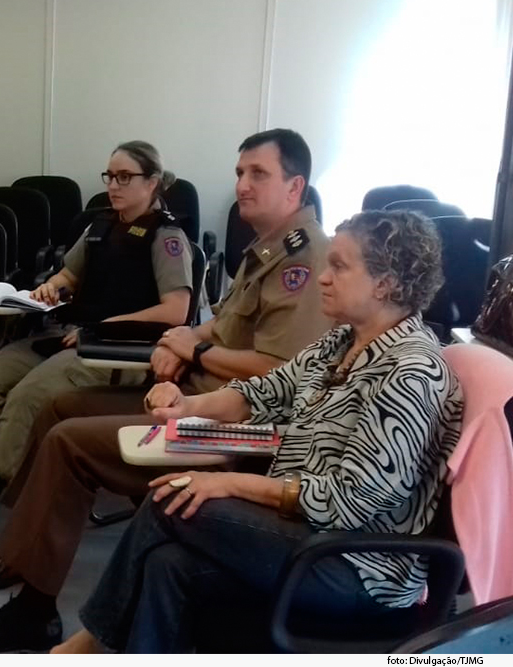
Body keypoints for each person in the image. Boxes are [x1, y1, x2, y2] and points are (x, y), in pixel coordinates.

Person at [0, 128, 334, 652]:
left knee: (68, 438)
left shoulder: (301, 261)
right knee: (59, 407)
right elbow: (213, 324)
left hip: (228, 428)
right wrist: (183, 341)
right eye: (240, 172)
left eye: (257, 174)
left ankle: (33, 611)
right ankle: (23, 557)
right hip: (186, 394)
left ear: (295, 186)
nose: (241, 184)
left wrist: (191, 350)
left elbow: (278, 369)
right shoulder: (263, 249)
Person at [51, 209, 464, 653]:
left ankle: (84, 646)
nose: (323, 277)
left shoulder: (410, 370)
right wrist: (186, 407)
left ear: (386, 284)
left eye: (339, 266)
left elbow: (350, 501)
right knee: (167, 564)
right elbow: (264, 391)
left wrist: (229, 482)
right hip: (310, 535)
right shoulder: (341, 341)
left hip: (357, 566)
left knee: (170, 500)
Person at [0, 140, 195, 537]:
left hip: (115, 350)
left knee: (28, 393)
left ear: (153, 182)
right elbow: (67, 275)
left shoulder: (166, 237)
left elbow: (175, 311)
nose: (114, 185)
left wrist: (103, 326)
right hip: (72, 336)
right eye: (110, 176)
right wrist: (52, 289)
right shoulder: (100, 226)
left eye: (125, 177)